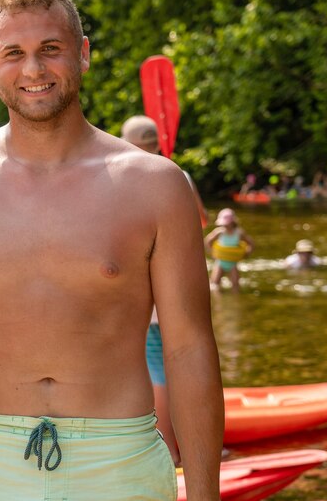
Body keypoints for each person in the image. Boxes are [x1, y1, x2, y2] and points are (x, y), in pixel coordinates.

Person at [0, 0, 223, 500]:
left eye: (51, 49)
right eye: (14, 53)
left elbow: (188, 349)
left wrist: (205, 496)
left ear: (82, 54)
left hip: (118, 459)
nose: (33, 69)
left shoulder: (157, 184)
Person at [120, 114, 209, 465]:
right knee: (185, 365)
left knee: (155, 372)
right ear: (158, 142)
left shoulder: (117, 178)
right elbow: (201, 220)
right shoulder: (178, 176)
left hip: (141, 298)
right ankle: (186, 448)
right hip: (182, 294)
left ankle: (170, 452)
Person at [205, 208, 254, 293]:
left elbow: (251, 243)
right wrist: (212, 252)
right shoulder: (219, 232)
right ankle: (219, 302)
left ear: (232, 222)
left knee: (235, 286)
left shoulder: (239, 233)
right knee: (214, 285)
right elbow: (207, 241)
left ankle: (235, 302)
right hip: (220, 261)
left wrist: (246, 253)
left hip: (233, 262)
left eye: (227, 224)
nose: (225, 226)